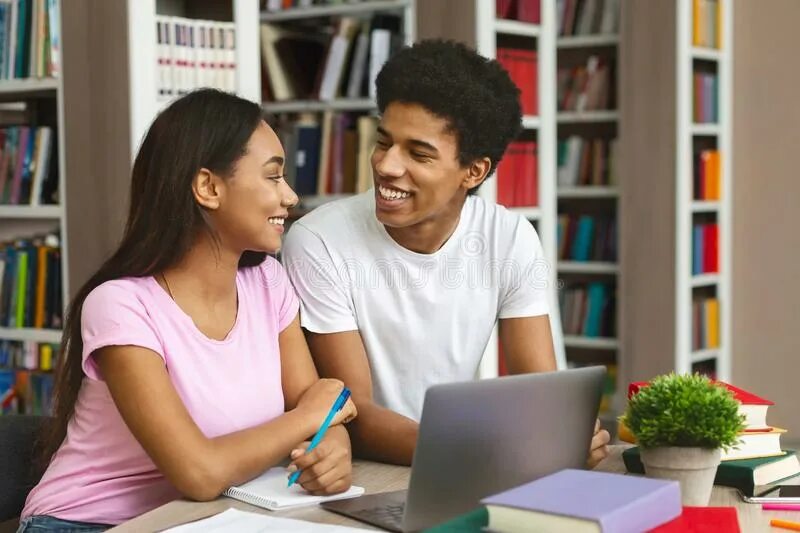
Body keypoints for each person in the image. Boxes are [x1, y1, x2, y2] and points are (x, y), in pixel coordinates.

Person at [19, 89, 356, 532]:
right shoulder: (121, 306)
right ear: (208, 187)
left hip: (209, 515)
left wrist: (333, 447)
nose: (290, 196)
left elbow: (319, 405)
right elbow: (198, 472)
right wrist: (312, 417)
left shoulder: (268, 284)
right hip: (87, 523)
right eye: (273, 178)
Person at [281, 40, 610, 467]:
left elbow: (542, 390)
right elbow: (351, 412)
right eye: (384, 142)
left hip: (460, 464)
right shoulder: (318, 241)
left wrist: (564, 433)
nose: (386, 165)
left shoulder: (510, 237)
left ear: (473, 172)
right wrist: (490, 450)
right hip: (363, 471)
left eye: (418, 153)